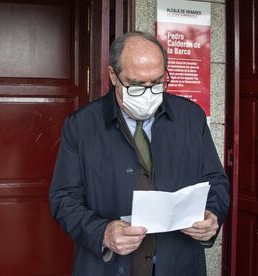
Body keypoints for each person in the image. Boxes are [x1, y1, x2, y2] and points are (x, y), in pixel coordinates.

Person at [49, 31, 230, 276]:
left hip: (179, 264)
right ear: (114, 76)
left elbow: (216, 181)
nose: (148, 93)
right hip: (108, 268)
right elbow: (63, 198)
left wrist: (212, 215)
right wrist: (102, 232)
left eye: (156, 83)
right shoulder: (81, 126)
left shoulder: (191, 117)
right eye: (136, 85)